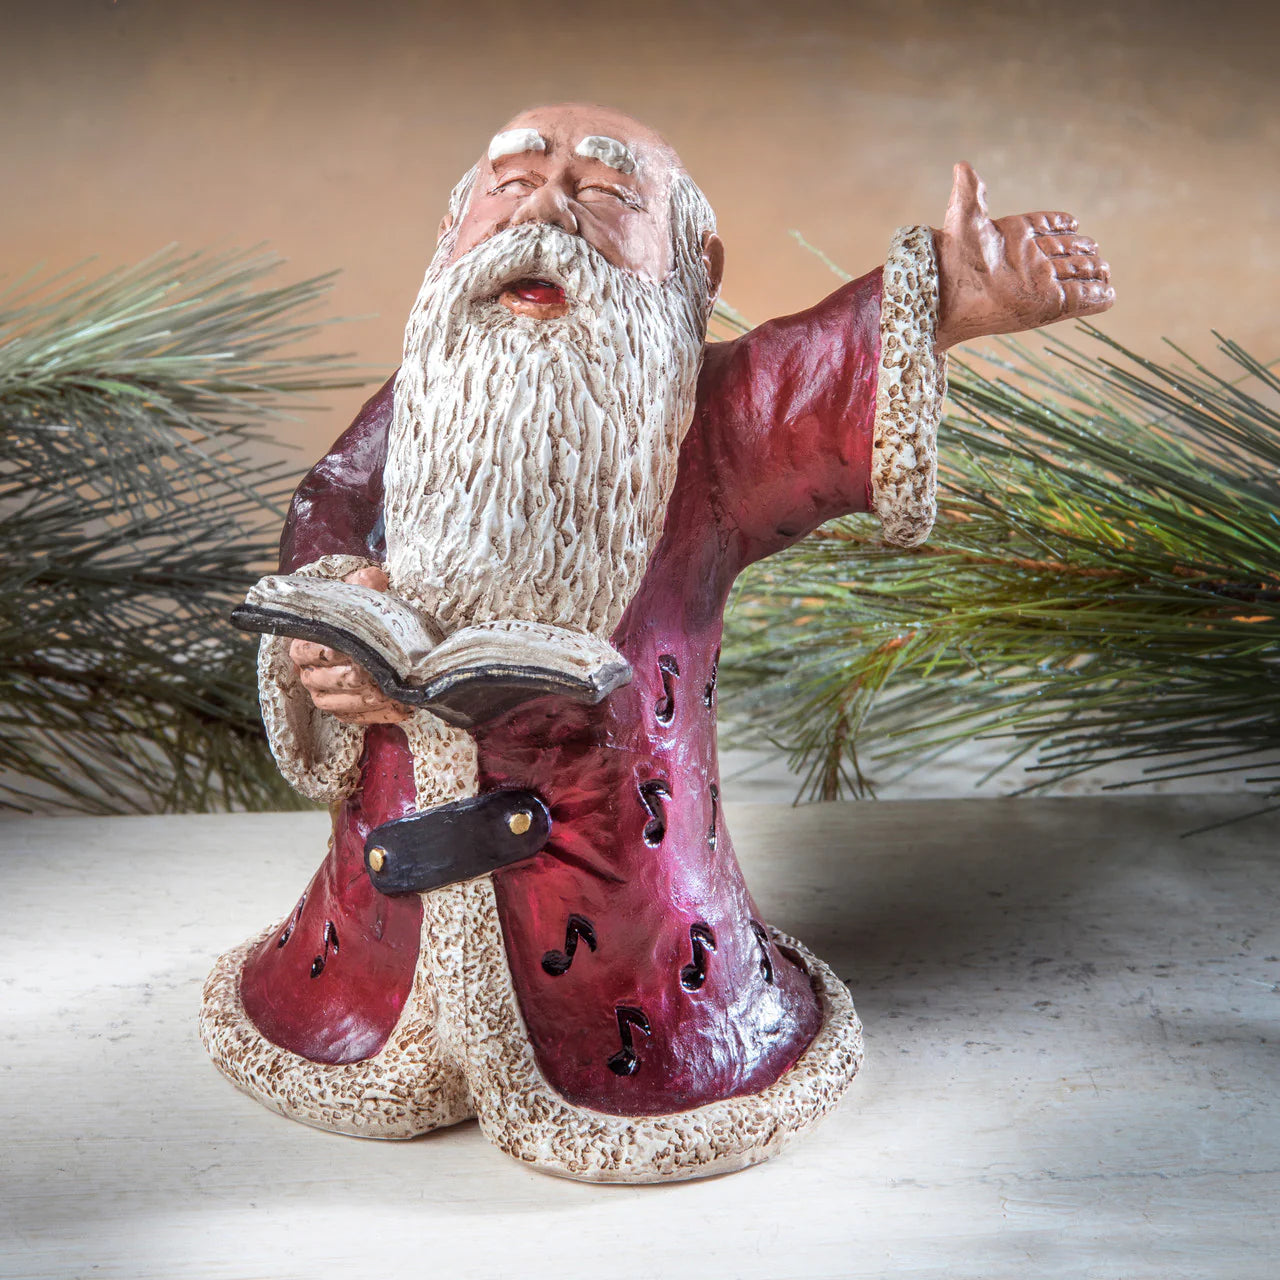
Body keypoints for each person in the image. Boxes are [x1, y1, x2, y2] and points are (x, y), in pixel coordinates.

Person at [201, 103, 1112, 1182]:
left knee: (635, 996)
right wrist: (332, 615)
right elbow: (329, 509)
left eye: (603, 194)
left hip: (637, 935)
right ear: (453, 230)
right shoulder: (423, 396)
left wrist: (945, 295)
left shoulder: (710, 428)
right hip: (371, 930)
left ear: (692, 262)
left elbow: (814, 370)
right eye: (513, 183)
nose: (547, 212)